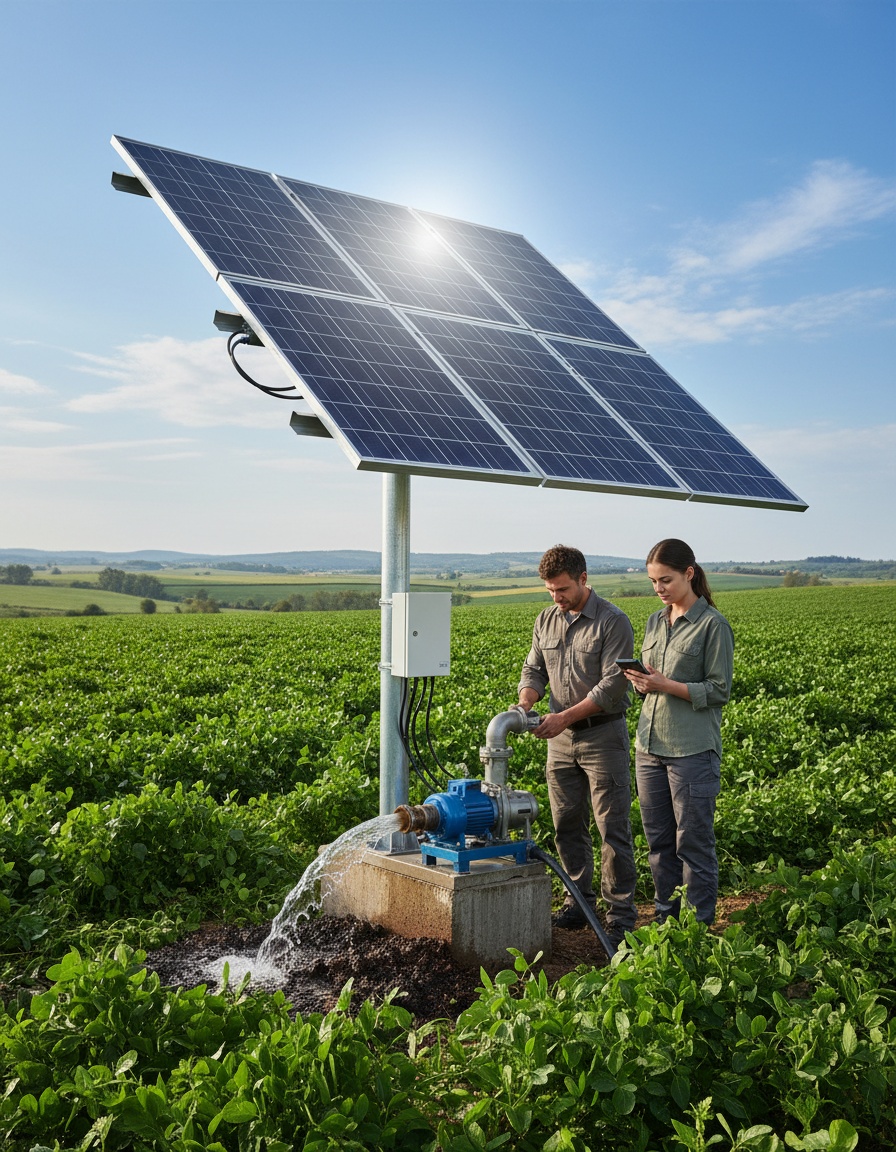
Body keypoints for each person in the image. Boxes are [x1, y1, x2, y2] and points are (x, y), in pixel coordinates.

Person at [516, 545, 637, 942]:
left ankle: (619, 916)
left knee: (611, 828)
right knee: (566, 823)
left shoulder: (612, 621)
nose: (557, 597)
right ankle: (577, 901)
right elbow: (534, 668)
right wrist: (526, 702)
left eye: (563, 589)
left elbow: (611, 686)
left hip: (603, 735)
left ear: (584, 579)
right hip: (560, 739)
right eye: (550, 590)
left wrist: (563, 717)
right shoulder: (546, 620)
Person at [623, 539, 734, 926]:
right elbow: (651, 679)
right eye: (654, 581)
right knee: (659, 843)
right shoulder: (656, 620)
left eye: (666, 580)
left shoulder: (712, 625)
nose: (659, 589)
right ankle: (666, 920)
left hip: (691, 750)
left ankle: (697, 928)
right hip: (649, 746)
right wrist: (640, 682)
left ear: (689, 573)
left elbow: (719, 690)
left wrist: (664, 684)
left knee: (693, 843)